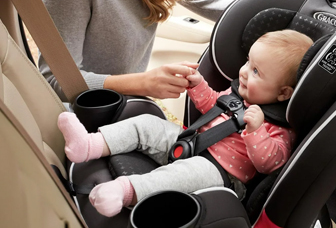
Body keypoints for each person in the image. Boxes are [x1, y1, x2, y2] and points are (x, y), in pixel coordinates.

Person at [57, 30, 313, 217]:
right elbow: (210, 105)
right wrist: (198, 84)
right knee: (148, 123)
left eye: (257, 71)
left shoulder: (279, 127)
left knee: (175, 177)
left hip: (220, 174)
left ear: (284, 93)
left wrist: (256, 131)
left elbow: (270, 163)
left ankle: (123, 191)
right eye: (248, 62)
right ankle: (88, 144)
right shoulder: (236, 95)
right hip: (189, 142)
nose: (244, 71)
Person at [34, 0, 239, 100]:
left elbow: (217, 4)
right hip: (82, 120)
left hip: (125, 106)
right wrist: (143, 84)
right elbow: (56, 81)